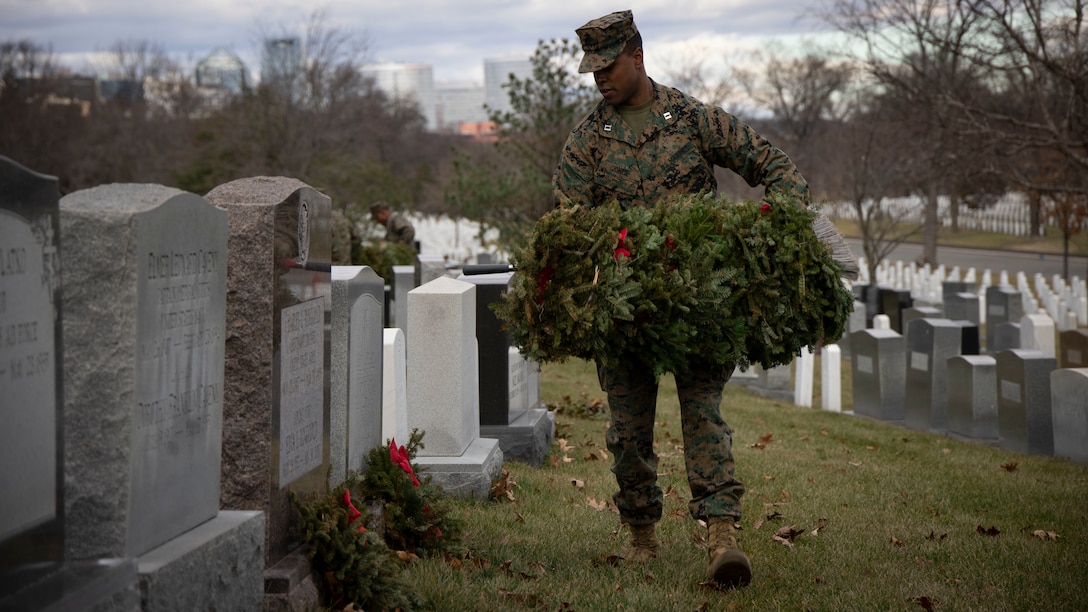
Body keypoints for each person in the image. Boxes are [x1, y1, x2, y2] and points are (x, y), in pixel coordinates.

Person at [553, 9, 812, 589]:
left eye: (608, 65)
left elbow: (769, 163)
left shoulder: (692, 120)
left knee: (704, 420)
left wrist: (781, 226)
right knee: (627, 432)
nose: (599, 78)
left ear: (637, 56)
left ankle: (722, 537)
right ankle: (642, 532)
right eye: (591, 69)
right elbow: (567, 225)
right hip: (625, 312)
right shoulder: (587, 142)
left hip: (699, 305)